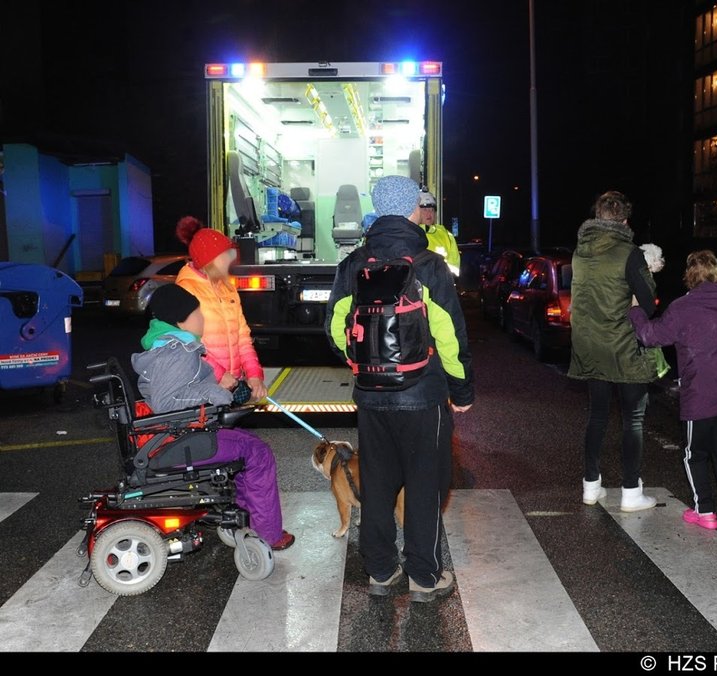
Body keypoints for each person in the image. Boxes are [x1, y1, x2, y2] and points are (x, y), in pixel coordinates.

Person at [325, 175, 474, 602]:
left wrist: (362, 366)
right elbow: (449, 335)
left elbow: (336, 329)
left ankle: (381, 571)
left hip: (371, 397)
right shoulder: (427, 263)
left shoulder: (353, 263)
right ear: (413, 208)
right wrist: (461, 392)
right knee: (424, 485)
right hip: (423, 395)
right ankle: (425, 577)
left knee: (376, 482)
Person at [131, 284, 293, 550]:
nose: (203, 318)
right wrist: (214, 392)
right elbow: (166, 402)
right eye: (198, 313)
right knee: (258, 453)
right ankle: (268, 534)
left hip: (179, 432)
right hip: (178, 438)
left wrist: (222, 390)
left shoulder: (170, 346)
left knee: (246, 445)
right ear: (181, 320)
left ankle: (247, 520)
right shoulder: (177, 353)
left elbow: (180, 391)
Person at [628, 251, 717, 529]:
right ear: (716, 273)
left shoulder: (681, 308)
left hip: (700, 395)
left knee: (695, 453)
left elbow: (651, 336)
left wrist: (635, 310)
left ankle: (705, 512)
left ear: (689, 277)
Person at [568, 190, 669, 512]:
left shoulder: (580, 252)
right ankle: (630, 492)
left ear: (597, 218)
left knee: (597, 416)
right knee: (633, 419)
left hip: (588, 344)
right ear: (625, 221)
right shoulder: (629, 253)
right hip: (624, 345)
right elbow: (649, 302)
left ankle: (590, 486)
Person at [175, 216, 268, 406]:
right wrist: (217, 374)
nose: (230, 260)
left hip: (231, 383)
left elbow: (242, 336)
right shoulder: (186, 290)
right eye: (225, 255)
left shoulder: (227, 288)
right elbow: (186, 346)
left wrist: (254, 374)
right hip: (204, 384)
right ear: (209, 260)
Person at [418, 190, 461, 277]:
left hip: (441, 287)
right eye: (425, 209)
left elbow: (454, 266)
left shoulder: (445, 234)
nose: (429, 213)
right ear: (416, 211)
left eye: (432, 209)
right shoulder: (411, 233)